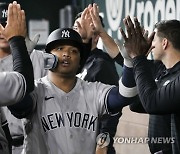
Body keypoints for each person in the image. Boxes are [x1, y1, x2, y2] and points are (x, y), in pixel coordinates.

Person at [7, 24, 138, 154]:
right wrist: (23, 56)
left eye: (74, 51)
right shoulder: (36, 91)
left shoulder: (93, 91)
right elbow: (18, 106)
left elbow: (124, 96)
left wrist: (129, 62)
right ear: (47, 58)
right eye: (59, 48)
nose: (66, 54)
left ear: (80, 61)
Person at [120, 16, 180, 154]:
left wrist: (138, 57)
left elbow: (151, 102)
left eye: (154, 39)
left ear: (164, 43)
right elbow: (136, 103)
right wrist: (135, 58)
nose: (149, 43)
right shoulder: (162, 71)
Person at [73, 4, 122, 154]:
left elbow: (112, 112)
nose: (78, 30)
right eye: (76, 27)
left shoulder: (102, 64)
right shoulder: (72, 62)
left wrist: (102, 144)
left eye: (84, 26)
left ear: (96, 35)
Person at [0, 2, 39, 154]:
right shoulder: (28, 56)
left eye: (7, 24)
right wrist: (18, 43)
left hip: (28, 141)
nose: (3, 29)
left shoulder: (37, 57)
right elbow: (24, 84)